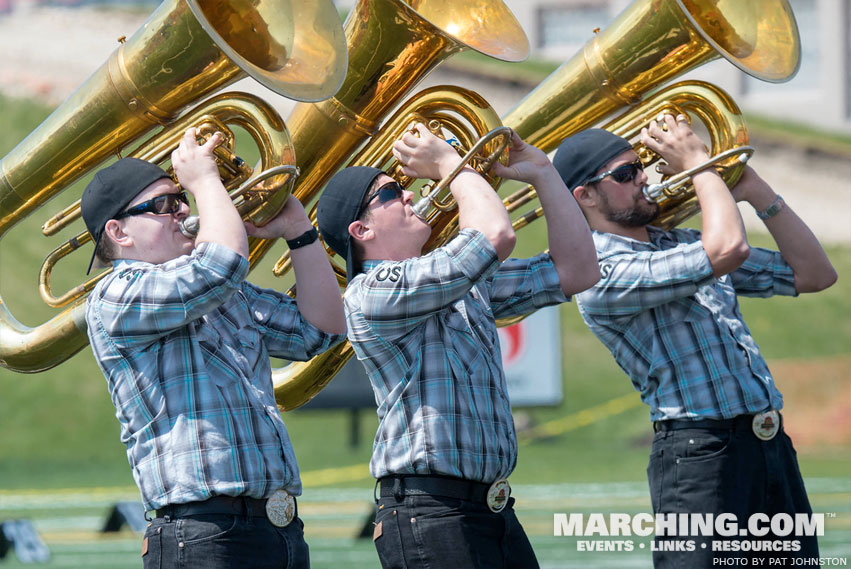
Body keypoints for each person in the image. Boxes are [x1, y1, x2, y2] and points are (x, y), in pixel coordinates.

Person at [552, 116, 838, 567]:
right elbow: (728, 249)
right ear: (584, 196)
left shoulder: (681, 242)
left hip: (768, 446)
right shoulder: (598, 271)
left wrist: (752, 187)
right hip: (700, 456)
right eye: (625, 175)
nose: (642, 178)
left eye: (639, 166)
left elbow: (815, 274)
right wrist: (702, 166)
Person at [315, 123, 600, 569]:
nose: (409, 195)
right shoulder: (372, 290)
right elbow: (495, 237)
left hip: (488, 507)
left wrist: (544, 173)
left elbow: (578, 269)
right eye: (391, 195)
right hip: (431, 512)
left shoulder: (450, 280)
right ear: (361, 230)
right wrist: (451, 164)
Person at [82, 128, 346, 569]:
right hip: (202, 533)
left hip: (275, 527)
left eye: (181, 199)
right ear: (119, 232)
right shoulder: (116, 294)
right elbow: (220, 266)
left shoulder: (221, 290)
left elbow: (321, 329)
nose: (183, 209)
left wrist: (299, 231)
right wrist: (205, 181)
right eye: (165, 204)